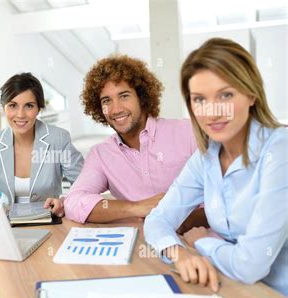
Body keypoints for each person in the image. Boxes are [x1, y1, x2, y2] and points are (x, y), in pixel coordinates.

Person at [144, 38, 287, 295]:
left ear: (251, 94)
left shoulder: (280, 151)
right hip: (232, 289)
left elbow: (249, 266)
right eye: (199, 99)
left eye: (226, 95)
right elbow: (158, 219)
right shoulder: (207, 158)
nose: (212, 112)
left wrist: (202, 242)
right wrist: (179, 254)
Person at [64, 54, 206, 231]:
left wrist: (179, 217)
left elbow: (230, 197)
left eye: (124, 96)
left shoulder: (189, 133)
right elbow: (74, 202)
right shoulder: (101, 155)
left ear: (142, 97)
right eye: (106, 100)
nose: (115, 109)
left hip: (198, 241)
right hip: (140, 246)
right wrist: (136, 207)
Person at [0, 72, 84, 216]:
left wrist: (64, 201)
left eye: (29, 106)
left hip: (49, 219)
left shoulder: (59, 138)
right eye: (12, 105)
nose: (20, 114)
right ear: (3, 108)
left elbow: (85, 185)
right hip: (6, 221)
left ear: (39, 108)